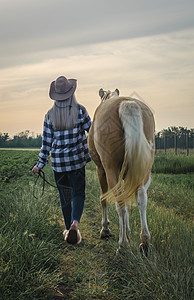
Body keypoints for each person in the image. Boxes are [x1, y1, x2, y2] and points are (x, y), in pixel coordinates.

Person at [32, 76, 92, 244]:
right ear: (71, 93)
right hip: (77, 161)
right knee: (78, 193)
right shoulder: (80, 110)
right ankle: (75, 224)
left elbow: (46, 144)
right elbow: (93, 133)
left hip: (59, 164)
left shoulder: (49, 115)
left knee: (65, 196)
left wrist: (39, 164)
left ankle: (68, 230)